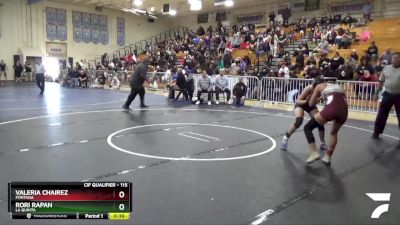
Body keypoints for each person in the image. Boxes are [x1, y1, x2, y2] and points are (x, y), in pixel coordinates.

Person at [303, 76, 348, 165]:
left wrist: (317, 97)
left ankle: (314, 153)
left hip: (331, 109)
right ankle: (328, 157)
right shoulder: (340, 87)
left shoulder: (319, 86)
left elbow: (311, 104)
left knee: (307, 127)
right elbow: (340, 101)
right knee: (333, 133)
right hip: (344, 111)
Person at [282, 77, 326, 151]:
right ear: (315, 86)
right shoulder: (308, 89)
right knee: (299, 121)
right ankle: (285, 138)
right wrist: (306, 101)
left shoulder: (322, 90)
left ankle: (322, 143)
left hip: (310, 104)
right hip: (301, 104)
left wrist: (320, 98)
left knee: (320, 121)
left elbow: (315, 102)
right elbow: (297, 101)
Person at [372, 52, 400, 139]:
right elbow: (380, 82)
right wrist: (376, 93)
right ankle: (376, 132)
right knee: (381, 115)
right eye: (393, 58)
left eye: (396, 58)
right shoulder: (386, 68)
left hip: (399, 95)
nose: (394, 60)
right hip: (387, 94)